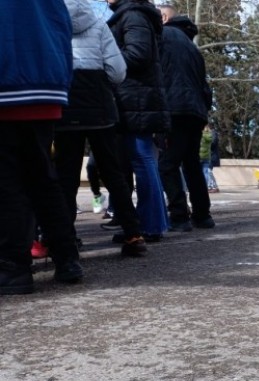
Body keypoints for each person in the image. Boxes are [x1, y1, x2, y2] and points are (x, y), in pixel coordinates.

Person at [0, 0, 83, 295]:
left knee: (7, 183)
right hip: (46, 82)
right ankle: (67, 258)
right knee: (42, 177)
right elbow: (62, 27)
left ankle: (12, 267)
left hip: (7, 81)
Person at [53, 0, 147, 258]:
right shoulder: (98, 24)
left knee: (65, 176)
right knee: (114, 173)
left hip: (66, 104)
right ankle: (133, 234)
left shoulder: (53, 20)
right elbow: (118, 72)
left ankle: (66, 239)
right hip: (100, 105)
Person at [106, 0, 171, 242]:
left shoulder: (132, 15)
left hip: (136, 99)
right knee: (143, 161)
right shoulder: (133, 14)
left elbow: (138, 54)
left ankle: (151, 225)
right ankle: (152, 223)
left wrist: (105, 56)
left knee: (142, 160)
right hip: (136, 98)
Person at [157, 4, 215, 232]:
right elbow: (204, 85)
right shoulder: (192, 47)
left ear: (164, 17)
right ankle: (202, 215)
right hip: (194, 111)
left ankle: (180, 215)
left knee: (167, 165)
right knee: (191, 163)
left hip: (175, 108)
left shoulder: (162, 36)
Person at [200, 123, 220, 193]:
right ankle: (212, 186)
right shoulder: (210, 134)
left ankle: (212, 186)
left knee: (208, 171)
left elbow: (213, 143)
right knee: (207, 171)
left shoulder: (211, 133)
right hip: (208, 156)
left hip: (210, 156)